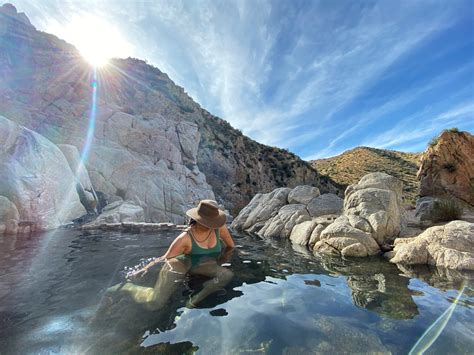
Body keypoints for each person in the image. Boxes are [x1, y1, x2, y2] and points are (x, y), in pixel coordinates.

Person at [108, 200, 235, 309]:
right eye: (209, 221)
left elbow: (230, 247)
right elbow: (165, 258)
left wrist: (222, 260)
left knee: (227, 275)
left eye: (213, 221)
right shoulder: (185, 238)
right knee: (155, 303)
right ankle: (129, 287)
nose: (212, 225)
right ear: (199, 220)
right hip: (181, 263)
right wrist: (144, 269)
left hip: (203, 265)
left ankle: (194, 300)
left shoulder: (219, 228)